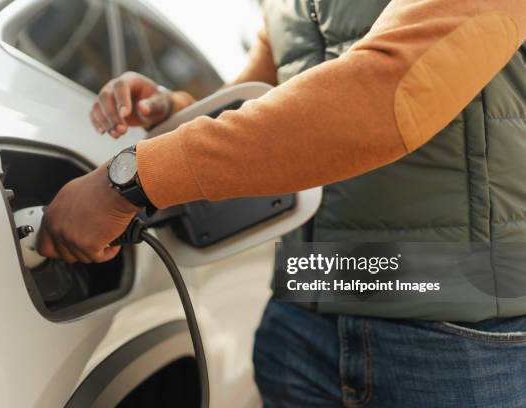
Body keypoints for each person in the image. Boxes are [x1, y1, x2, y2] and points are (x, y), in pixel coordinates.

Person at [38, 0, 526, 406]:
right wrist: (178, 112)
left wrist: (132, 177)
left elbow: (385, 96)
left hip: (456, 339)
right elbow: (267, 105)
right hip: (299, 320)